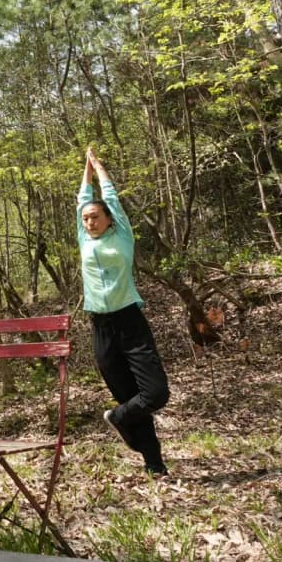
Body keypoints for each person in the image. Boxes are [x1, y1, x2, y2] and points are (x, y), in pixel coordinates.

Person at [78, 146, 170, 476]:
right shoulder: (84, 239)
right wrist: (85, 173)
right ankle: (154, 464)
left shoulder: (122, 236)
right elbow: (82, 199)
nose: (89, 222)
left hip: (130, 322)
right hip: (101, 328)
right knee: (128, 394)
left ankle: (118, 418)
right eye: (86, 218)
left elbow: (111, 198)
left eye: (95, 216)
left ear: (108, 219)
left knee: (155, 393)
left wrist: (98, 166)